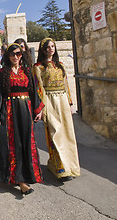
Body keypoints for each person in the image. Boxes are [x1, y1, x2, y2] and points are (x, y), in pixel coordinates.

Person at [0, 43, 44, 195]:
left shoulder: (27, 71)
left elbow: (33, 91)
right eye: (13, 54)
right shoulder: (2, 73)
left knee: (27, 141)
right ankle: (19, 180)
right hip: (9, 110)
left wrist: (38, 109)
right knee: (14, 144)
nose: (16, 56)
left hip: (26, 110)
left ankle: (27, 175)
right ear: (7, 56)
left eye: (19, 53)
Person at [34, 38, 80, 182]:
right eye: (47, 47)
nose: (50, 49)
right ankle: (58, 166)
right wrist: (40, 108)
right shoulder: (38, 67)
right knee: (55, 133)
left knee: (67, 135)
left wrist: (70, 103)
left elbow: (66, 84)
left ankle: (69, 165)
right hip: (50, 101)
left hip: (63, 102)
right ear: (43, 49)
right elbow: (38, 88)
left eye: (52, 46)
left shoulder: (60, 65)